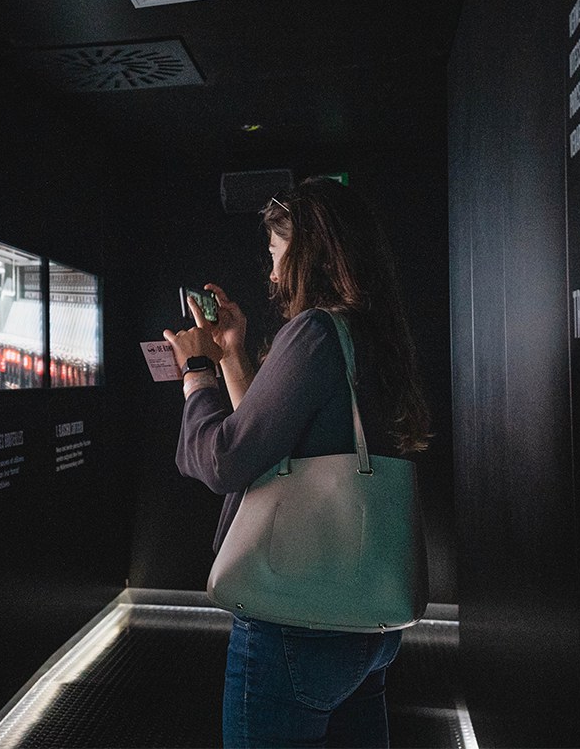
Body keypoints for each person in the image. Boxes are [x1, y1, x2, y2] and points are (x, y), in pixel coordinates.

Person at [162, 176, 430, 749]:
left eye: (277, 255)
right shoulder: (374, 336)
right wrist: (232, 350)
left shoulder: (312, 330)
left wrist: (196, 374)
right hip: (367, 625)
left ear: (306, 252)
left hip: (295, 624)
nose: (273, 273)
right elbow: (269, 444)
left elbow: (228, 460)